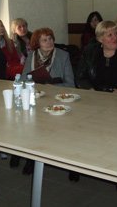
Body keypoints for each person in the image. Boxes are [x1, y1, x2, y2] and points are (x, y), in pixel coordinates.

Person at [14, 27, 75, 176]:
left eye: (51, 39)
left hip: (57, 100)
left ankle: (70, 162)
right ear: (37, 43)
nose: (49, 42)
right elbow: (22, 80)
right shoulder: (31, 56)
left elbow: (71, 84)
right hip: (38, 99)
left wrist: (52, 86)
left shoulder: (63, 55)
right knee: (29, 124)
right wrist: (34, 86)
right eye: (44, 40)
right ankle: (31, 159)